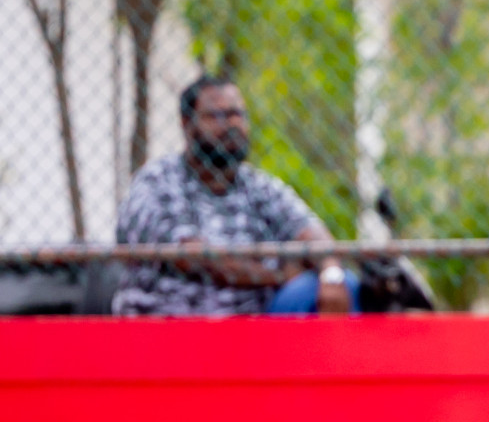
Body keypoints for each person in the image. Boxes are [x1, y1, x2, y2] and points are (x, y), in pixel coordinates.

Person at [113, 75, 359, 316]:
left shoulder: (257, 186)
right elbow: (196, 260)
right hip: (171, 330)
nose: (232, 124)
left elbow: (310, 231)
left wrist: (331, 273)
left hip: (254, 333)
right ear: (187, 123)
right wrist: (279, 277)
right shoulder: (158, 181)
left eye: (238, 114)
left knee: (341, 286)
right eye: (217, 115)